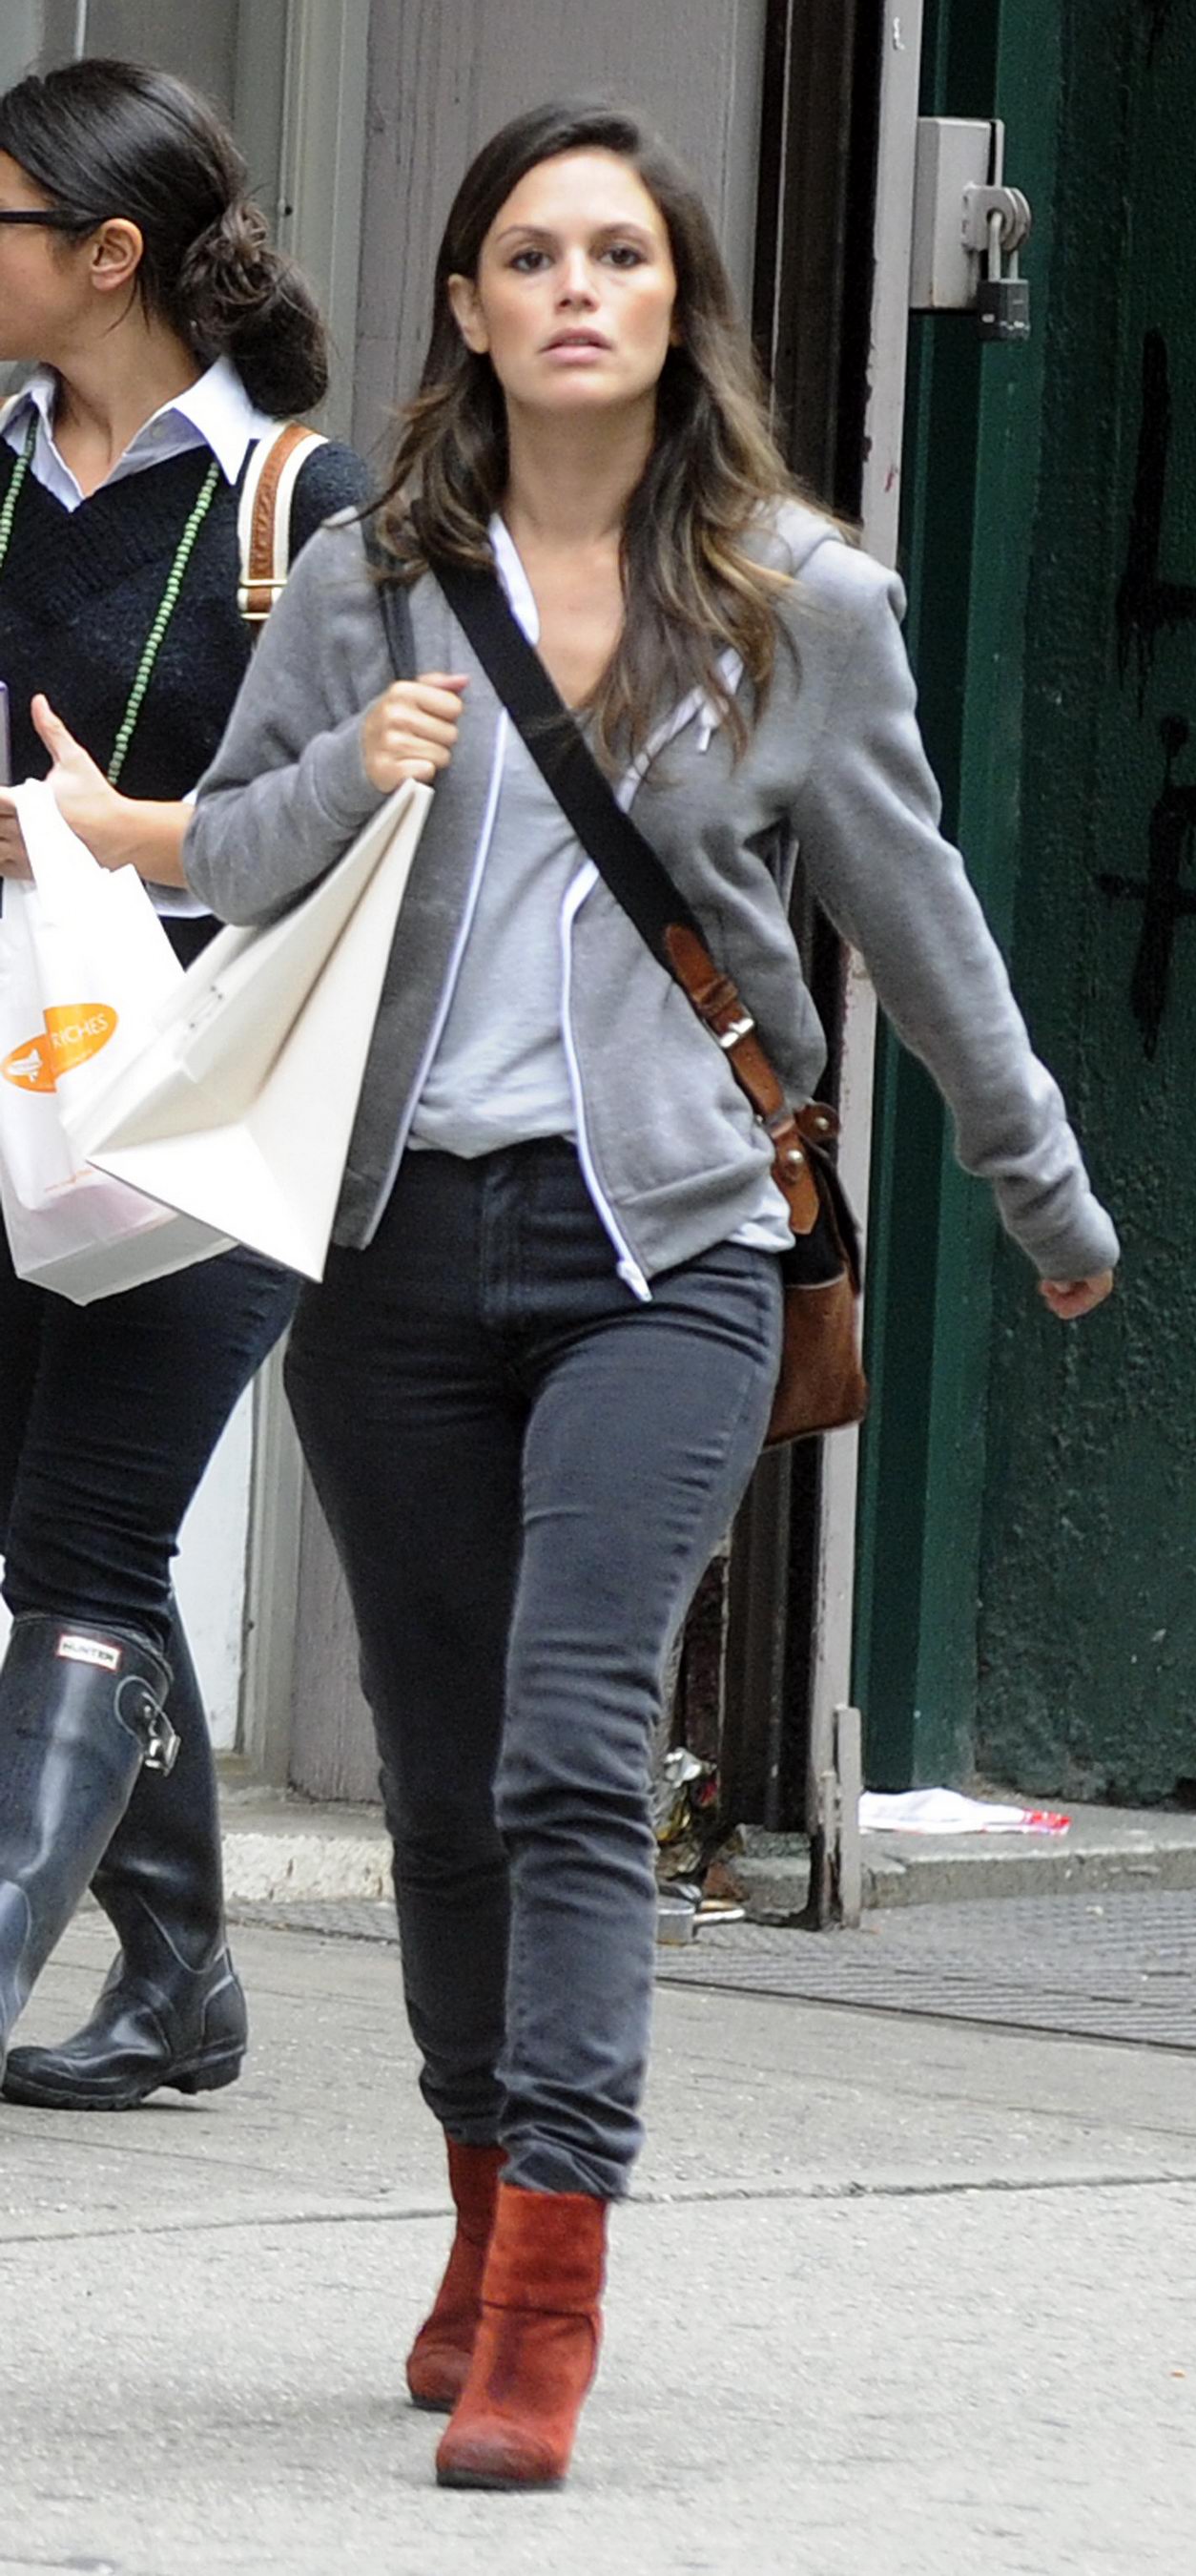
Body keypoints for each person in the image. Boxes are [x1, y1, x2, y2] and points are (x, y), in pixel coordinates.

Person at [184, 99, 1118, 2490]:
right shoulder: (370, 577)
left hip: (671, 1247)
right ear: (470, 307)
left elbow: (916, 915)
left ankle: (553, 2293)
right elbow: (235, 865)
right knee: (441, 1786)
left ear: (679, 302)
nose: (576, 289)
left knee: (571, 1749)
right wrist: (352, 767)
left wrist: (1039, 1189)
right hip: (392, 1248)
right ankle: (480, 2204)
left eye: (618, 253)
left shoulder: (800, 600)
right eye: (531, 255)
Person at [0, 57, 368, 2112]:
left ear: (106, 254)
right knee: (71, 1535)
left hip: (224, 1092)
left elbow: (373, 816)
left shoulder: (300, 510)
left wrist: (111, 832)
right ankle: (181, 1984)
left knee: (80, 1534)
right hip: (13, 1081)